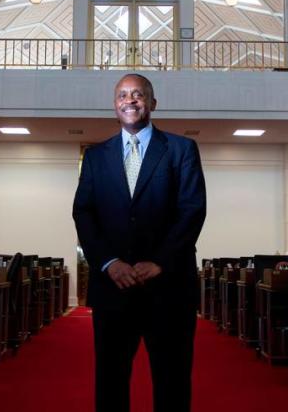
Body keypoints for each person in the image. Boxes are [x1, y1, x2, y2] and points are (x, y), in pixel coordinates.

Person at [73, 73, 206, 412]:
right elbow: (83, 213)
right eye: (122, 95)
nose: (129, 100)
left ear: (152, 103)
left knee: (173, 383)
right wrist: (108, 262)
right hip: (113, 290)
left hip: (169, 289)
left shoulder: (181, 149)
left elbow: (192, 210)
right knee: (111, 382)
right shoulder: (95, 156)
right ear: (114, 104)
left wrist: (160, 261)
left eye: (137, 94)